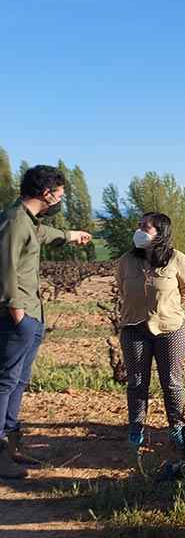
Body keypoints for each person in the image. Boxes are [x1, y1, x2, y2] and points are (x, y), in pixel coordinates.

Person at [0, 165, 92, 478]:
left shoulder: (28, 221)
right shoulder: (13, 221)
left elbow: (42, 234)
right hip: (19, 315)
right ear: (46, 193)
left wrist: (70, 235)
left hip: (32, 313)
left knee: (18, 381)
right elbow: (5, 268)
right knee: (5, 382)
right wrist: (15, 309)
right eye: (60, 194)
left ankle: (13, 447)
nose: (60, 199)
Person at [117, 213, 185, 455]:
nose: (139, 230)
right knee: (137, 382)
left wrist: (166, 310)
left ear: (160, 233)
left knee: (171, 382)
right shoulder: (126, 260)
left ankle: (177, 428)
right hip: (133, 328)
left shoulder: (177, 259)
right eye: (138, 225)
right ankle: (136, 427)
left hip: (169, 329)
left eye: (145, 227)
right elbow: (121, 288)